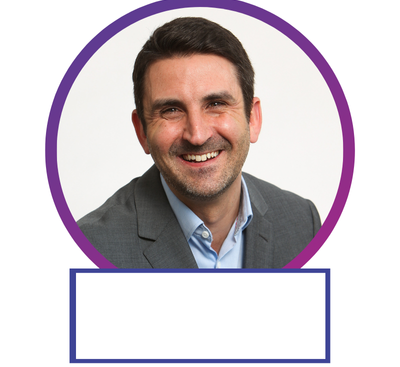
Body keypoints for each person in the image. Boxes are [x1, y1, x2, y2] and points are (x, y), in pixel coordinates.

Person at [78, 17, 321, 268]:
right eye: (171, 110)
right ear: (142, 131)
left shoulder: (304, 223)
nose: (197, 135)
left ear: (252, 118)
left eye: (216, 104)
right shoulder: (91, 248)